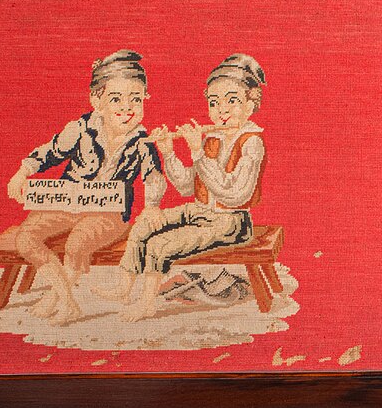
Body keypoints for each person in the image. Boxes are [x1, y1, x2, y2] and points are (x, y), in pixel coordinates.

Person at [0, 50, 166, 326]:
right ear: (96, 101)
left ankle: (56, 297)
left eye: (136, 99)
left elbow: (153, 177)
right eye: (116, 99)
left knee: (77, 244)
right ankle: (66, 300)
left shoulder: (142, 141)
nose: (127, 108)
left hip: (109, 214)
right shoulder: (80, 128)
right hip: (67, 202)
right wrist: (22, 172)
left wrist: (152, 206)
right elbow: (50, 152)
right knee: (26, 238)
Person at [97, 54, 266, 322]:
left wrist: (198, 153)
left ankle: (147, 304)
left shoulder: (251, 143)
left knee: (160, 244)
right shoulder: (212, 137)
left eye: (232, 100)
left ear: (250, 104)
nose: (221, 110)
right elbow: (187, 186)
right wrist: (169, 152)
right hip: (200, 212)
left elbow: (235, 194)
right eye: (214, 102)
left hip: (230, 222)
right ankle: (123, 288)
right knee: (145, 224)